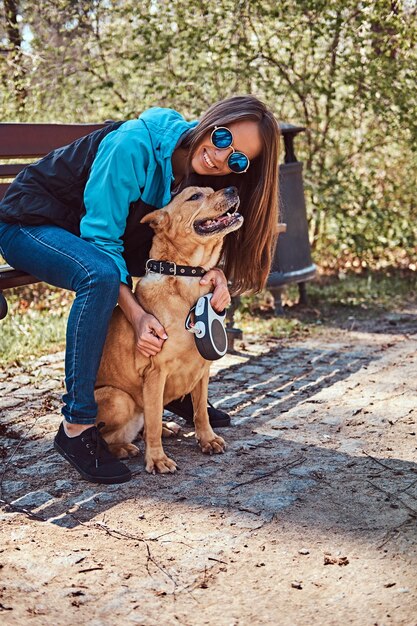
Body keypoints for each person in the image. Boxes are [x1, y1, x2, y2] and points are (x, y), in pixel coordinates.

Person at [0, 95, 280, 484]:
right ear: (211, 121)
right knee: (97, 276)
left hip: (83, 237)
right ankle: (77, 426)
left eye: (237, 159)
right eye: (222, 139)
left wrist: (214, 273)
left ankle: (175, 388)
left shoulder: (194, 174)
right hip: (28, 224)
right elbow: (101, 239)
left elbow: (182, 240)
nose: (221, 158)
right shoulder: (133, 144)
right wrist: (138, 314)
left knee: (146, 275)